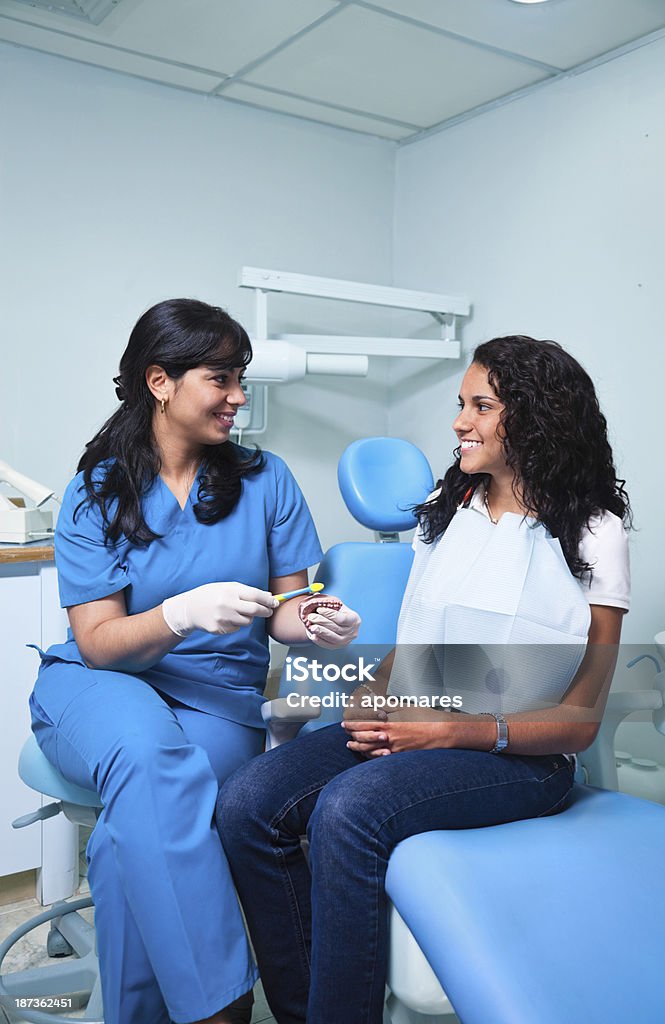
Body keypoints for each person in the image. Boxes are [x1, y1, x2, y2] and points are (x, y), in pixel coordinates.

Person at [216, 335, 631, 1024]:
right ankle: (306, 1009)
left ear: (535, 415)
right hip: (424, 718)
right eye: (459, 404)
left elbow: (581, 719)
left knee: (347, 809)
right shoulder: (449, 503)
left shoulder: (592, 530)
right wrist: (373, 693)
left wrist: (450, 730)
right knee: (247, 801)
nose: (458, 421)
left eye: (480, 406)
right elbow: (419, 639)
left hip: (520, 755)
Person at [28, 298, 360, 1024]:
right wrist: (180, 614)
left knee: (127, 841)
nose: (239, 396)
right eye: (222, 379)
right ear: (160, 381)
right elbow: (99, 642)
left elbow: (289, 607)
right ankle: (221, 1007)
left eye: (240, 377)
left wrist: (319, 619)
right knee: (151, 763)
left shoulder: (264, 480)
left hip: (216, 697)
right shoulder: (96, 493)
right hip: (102, 684)